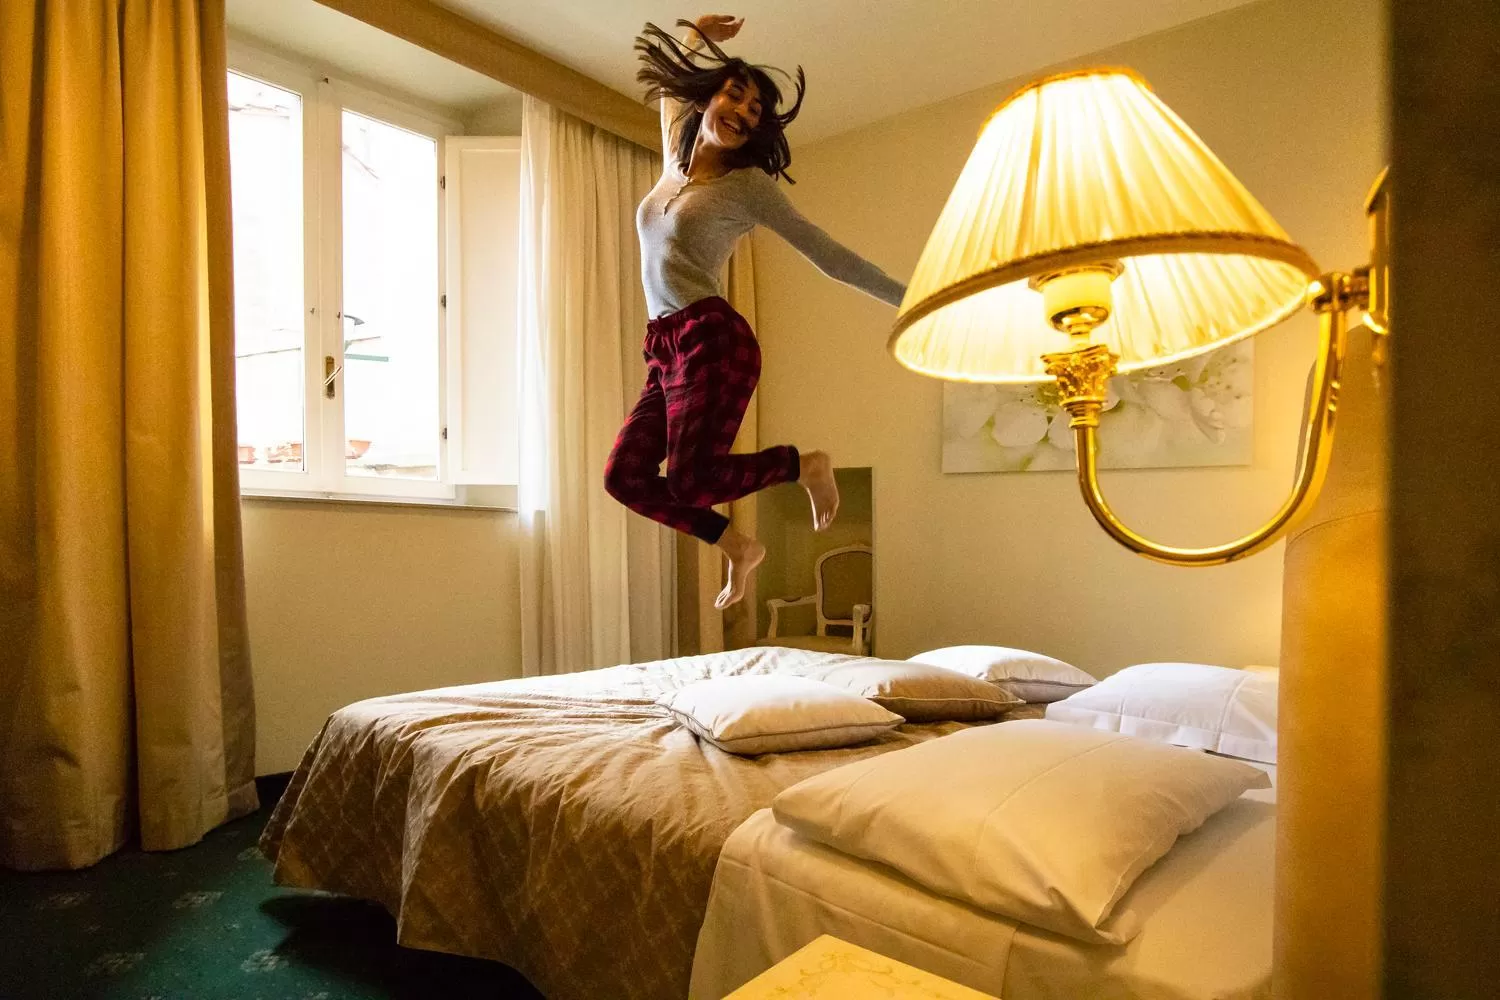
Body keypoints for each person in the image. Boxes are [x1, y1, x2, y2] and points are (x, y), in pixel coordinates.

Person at [604, 14, 905, 610]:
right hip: (664, 346)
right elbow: (671, 94)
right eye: (734, 96)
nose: (741, 113)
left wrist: (910, 298)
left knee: (692, 480)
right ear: (711, 97)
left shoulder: (750, 188)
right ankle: (737, 545)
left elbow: (828, 255)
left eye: (754, 114)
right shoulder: (675, 158)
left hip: (712, 338)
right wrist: (694, 32)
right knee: (625, 477)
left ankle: (805, 465)